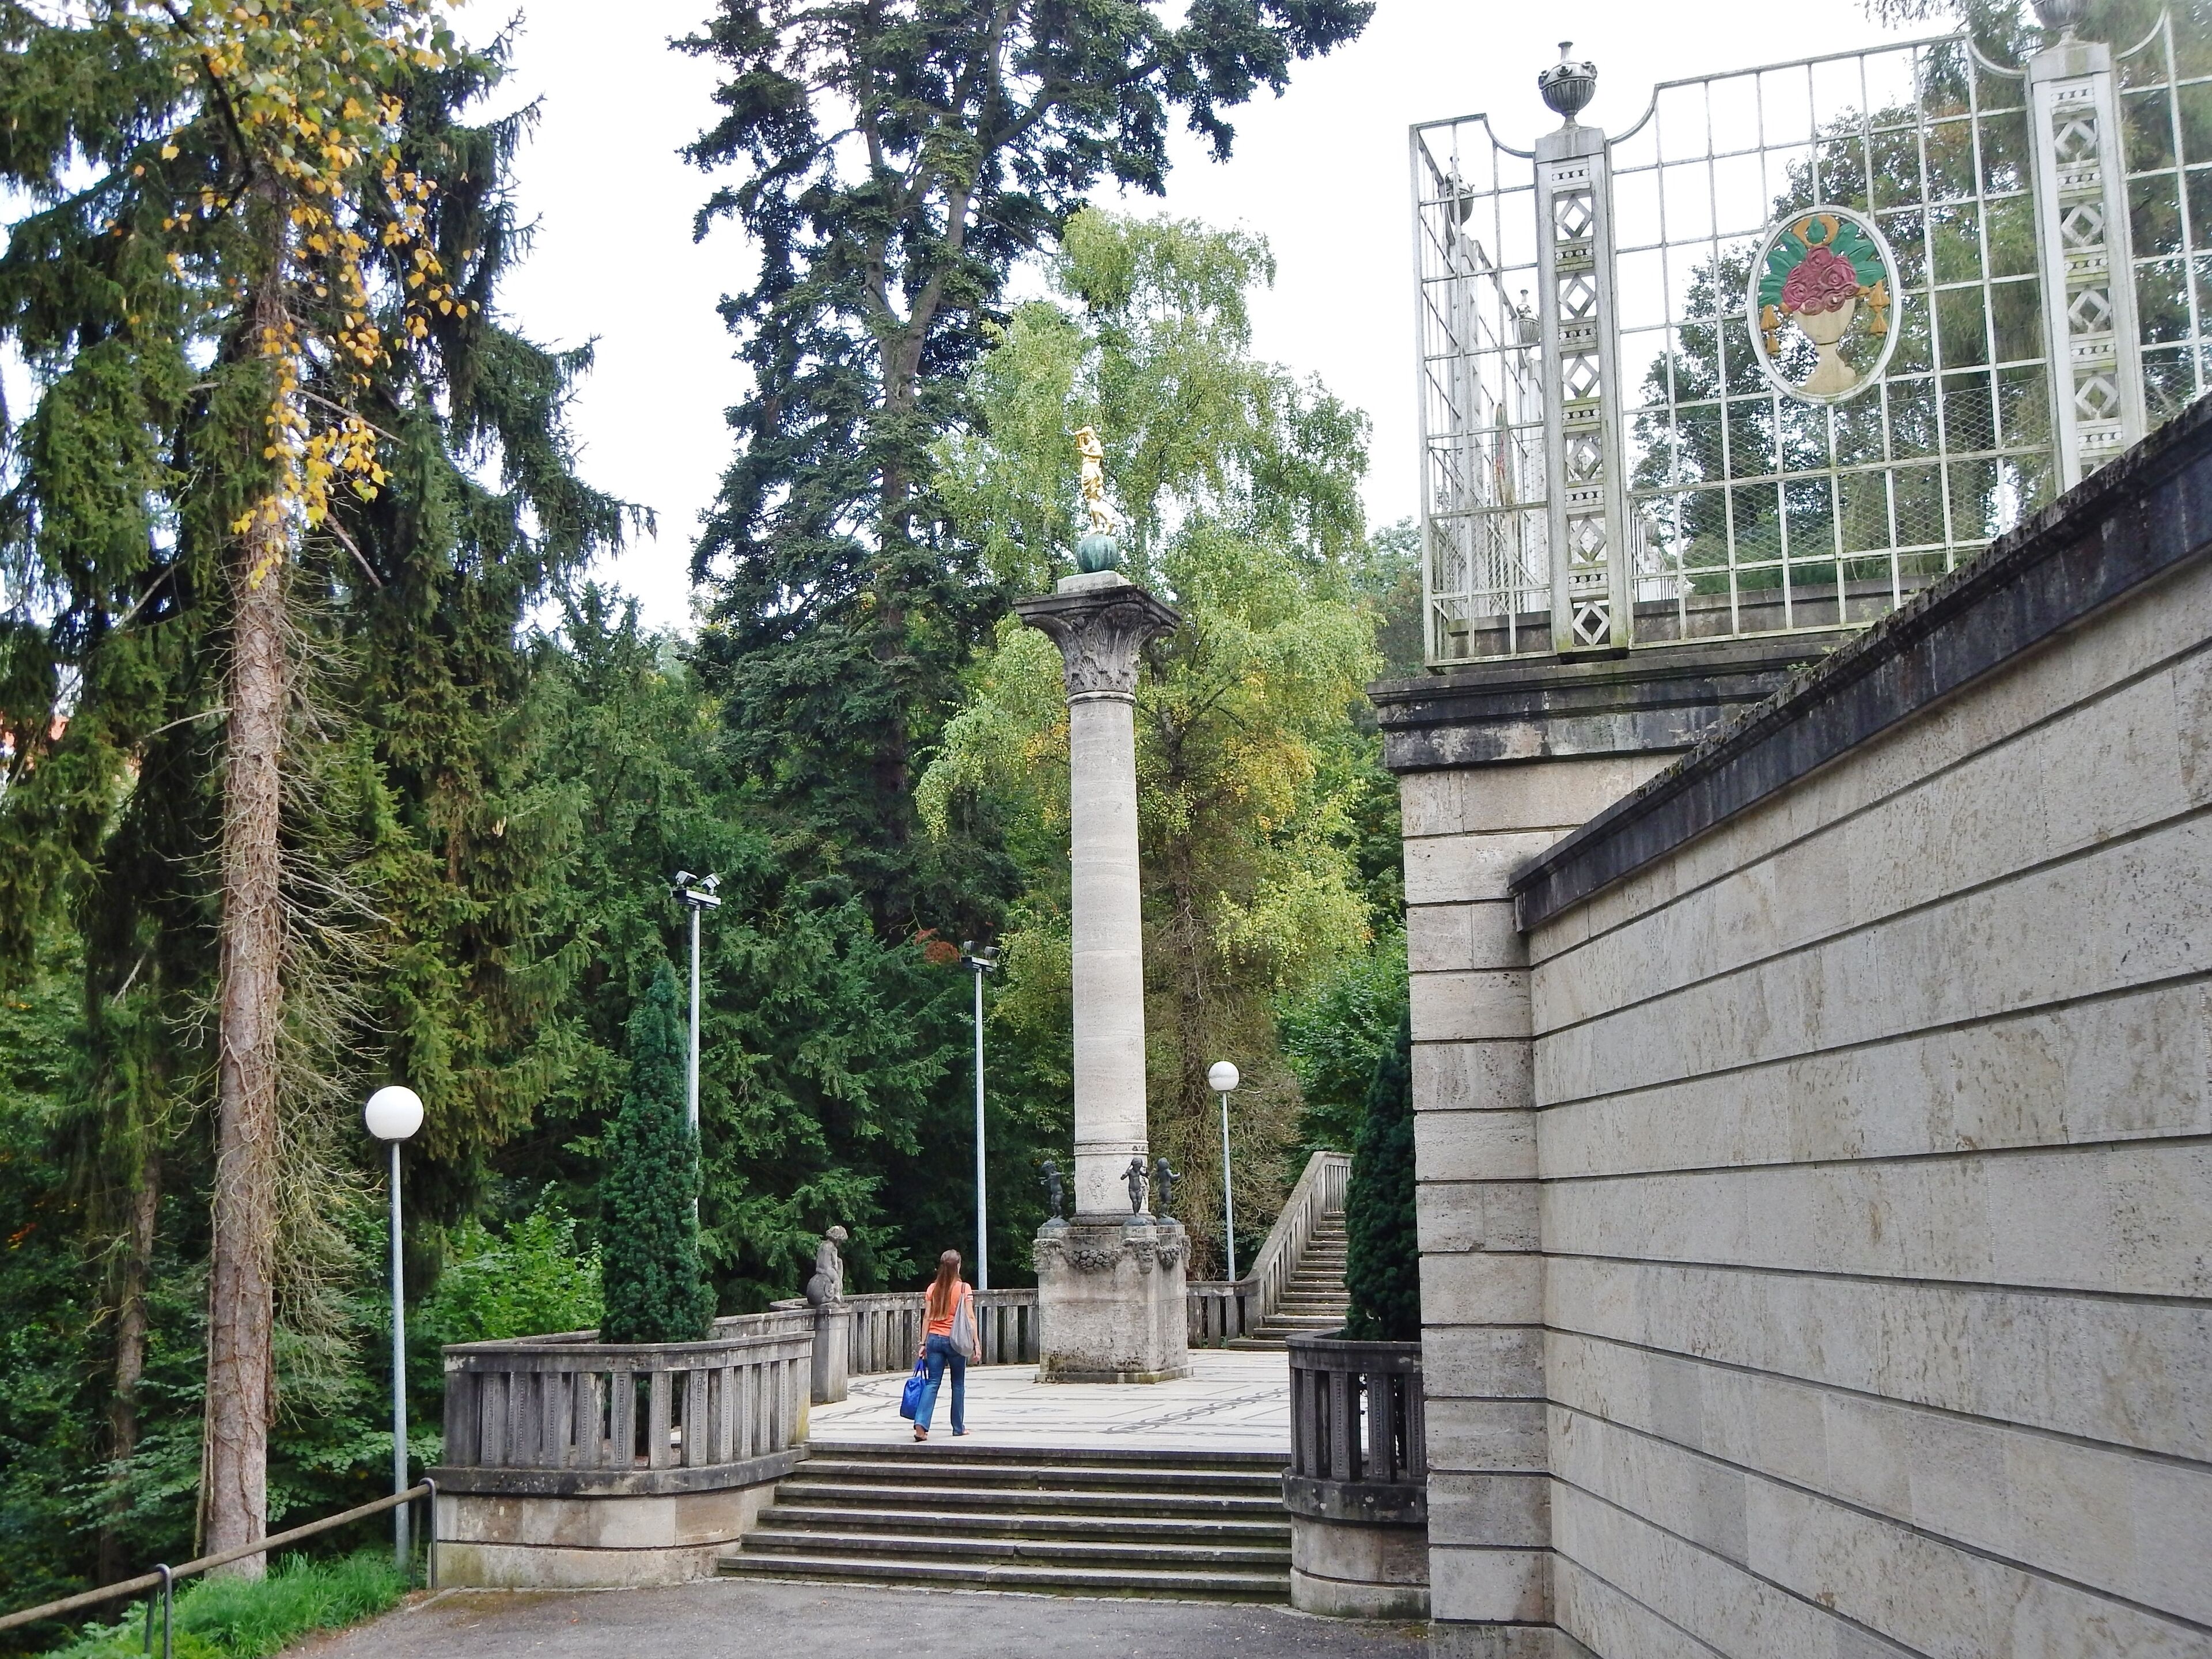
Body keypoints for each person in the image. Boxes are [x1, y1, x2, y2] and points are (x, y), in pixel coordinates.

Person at [911, 1249, 973, 1442]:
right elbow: (970, 1318)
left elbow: (928, 1317)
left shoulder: (932, 1289)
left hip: (934, 1340)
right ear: (958, 1266)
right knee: (958, 1384)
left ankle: (921, 1426)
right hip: (955, 1341)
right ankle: (958, 1427)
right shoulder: (964, 1289)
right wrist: (976, 1343)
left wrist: (923, 1343)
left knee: (932, 1383)